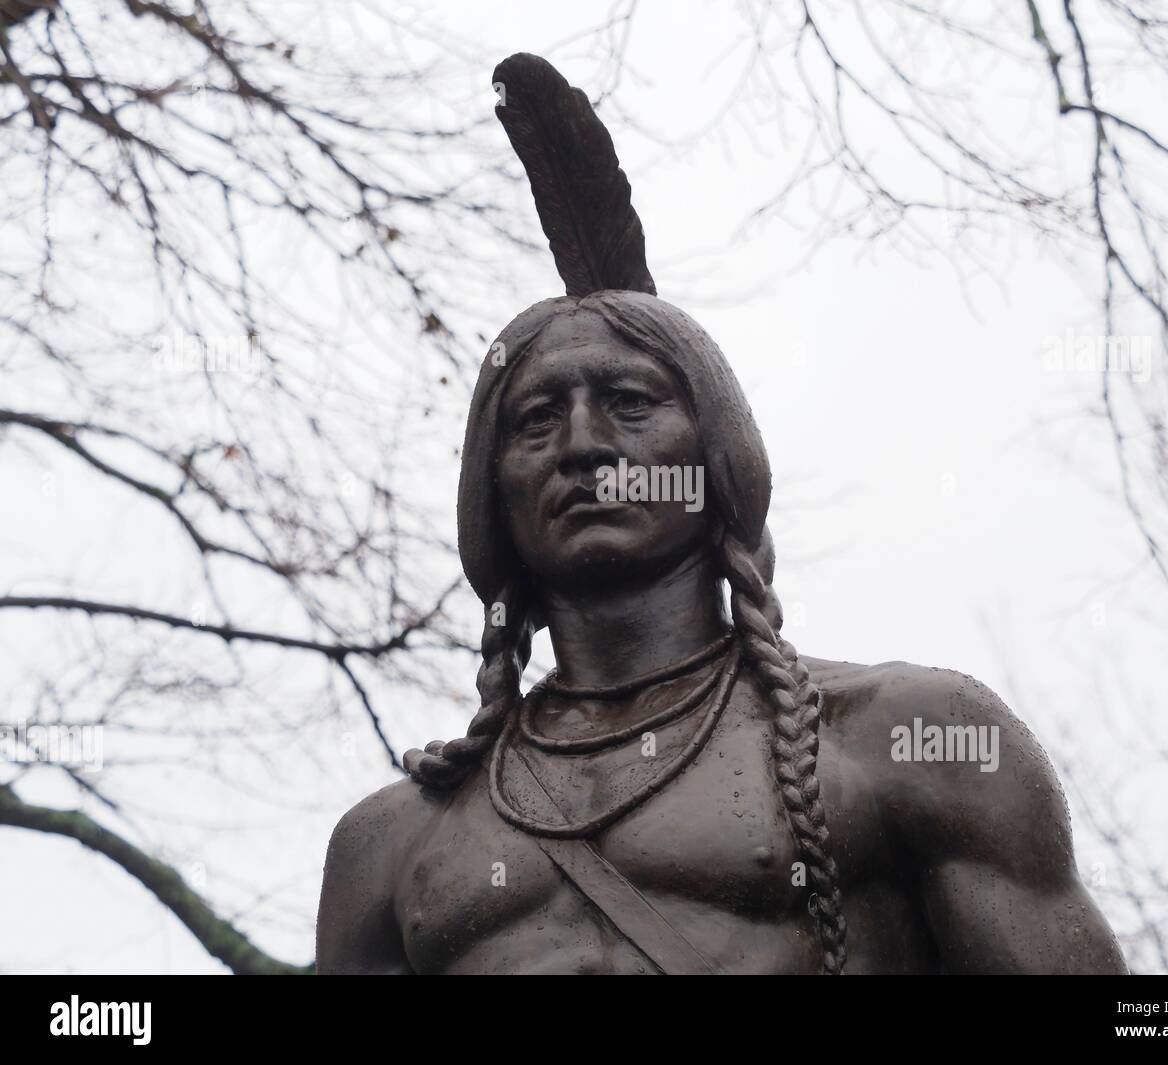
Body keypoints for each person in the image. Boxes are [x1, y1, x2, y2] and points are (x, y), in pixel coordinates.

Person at [314, 55, 1126, 976]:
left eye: (629, 401)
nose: (581, 445)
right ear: (490, 492)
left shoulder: (910, 738)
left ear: (718, 461)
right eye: (536, 420)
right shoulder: (388, 846)